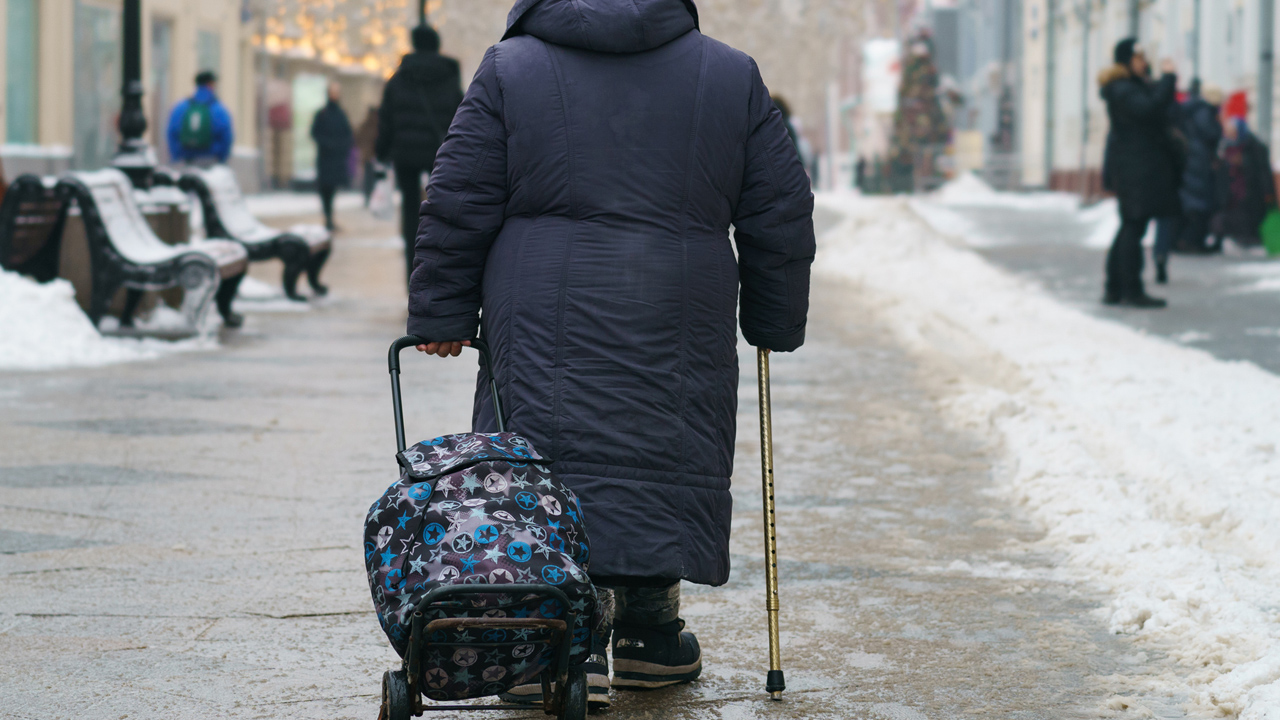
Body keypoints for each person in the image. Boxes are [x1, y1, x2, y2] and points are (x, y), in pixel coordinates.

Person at [407, 0, 814, 708]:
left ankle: (558, 641)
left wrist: (441, 309)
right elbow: (779, 207)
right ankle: (651, 634)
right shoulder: (728, 73)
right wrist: (775, 316)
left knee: (544, 457)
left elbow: (459, 194)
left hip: (539, 302)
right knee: (664, 448)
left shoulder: (513, 68)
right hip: (679, 299)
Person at [376, 24, 463, 286]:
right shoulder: (449, 78)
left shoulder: (398, 79)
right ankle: (439, 271)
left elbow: (386, 120)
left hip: (406, 156)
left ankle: (412, 276)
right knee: (442, 212)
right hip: (441, 156)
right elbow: (462, 117)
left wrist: (382, 151)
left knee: (410, 215)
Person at [1099, 39, 1179, 308]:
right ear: (1127, 61)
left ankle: (1115, 288)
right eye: (1139, 58)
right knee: (1134, 226)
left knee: (1130, 226)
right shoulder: (1123, 90)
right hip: (1136, 168)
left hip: (1137, 167)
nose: (1145, 63)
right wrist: (1168, 78)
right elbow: (1149, 109)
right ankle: (1130, 289)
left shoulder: (1127, 88)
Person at [1152, 83, 1223, 282]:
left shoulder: (1177, 113)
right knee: (1195, 206)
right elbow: (1212, 133)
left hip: (1176, 167)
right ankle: (1183, 243)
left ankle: (1166, 251)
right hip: (1191, 166)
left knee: (1172, 212)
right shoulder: (1203, 114)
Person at [1213, 117, 1276, 249]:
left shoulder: (1256, 147)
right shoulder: (1228, 146)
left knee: (1248, 215)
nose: (1231, 136)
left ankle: (1249, 239)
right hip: (1234, 190)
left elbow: (1262, 171)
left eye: (1233, 132)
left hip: (1251, 189)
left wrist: (1269, 193)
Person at [310, 82, 354, 232]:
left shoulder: (341, 114)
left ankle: (330, 217)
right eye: (332, 92)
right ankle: (327, 217)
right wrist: (327, 144)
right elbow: (315, 133)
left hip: (336, 159)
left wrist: (341, 148)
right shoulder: (321, 114)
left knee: (332, 189)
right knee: (324, 189)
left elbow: (348, 135)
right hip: (325, 158)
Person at [167, 71, 234, 166]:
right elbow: (226, 137)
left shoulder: (181, 107)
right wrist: (221, 159)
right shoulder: (219, 109)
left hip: (184, 162)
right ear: (211, 85)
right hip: (210, 162)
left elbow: (172, 132)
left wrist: (176, 156)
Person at [355, 106, 381, 206]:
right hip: (374, 156)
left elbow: (357, 138)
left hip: (367, 156)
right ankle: (371, 196)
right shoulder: (378, 126)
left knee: (368, 178)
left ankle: (368, 196)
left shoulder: (366, 125)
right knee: (374, 178)